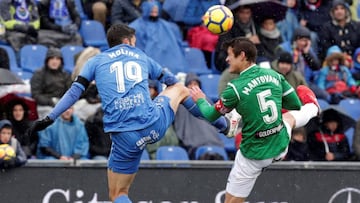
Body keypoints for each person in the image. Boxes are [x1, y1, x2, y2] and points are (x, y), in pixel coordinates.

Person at [28, 24, 231, 202]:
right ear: (127, 41)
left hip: (124, 136)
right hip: (152, 124)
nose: (134, 43)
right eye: (133, 40)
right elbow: (171, 81)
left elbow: (73, 94)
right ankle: (224, 126)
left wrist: (48, 118)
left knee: (117, 194)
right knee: (180, 89)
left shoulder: (95, 62)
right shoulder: (141, 55)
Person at [190, 37, 320, 203]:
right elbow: (294, 104)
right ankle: (313, 108)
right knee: (289, 118)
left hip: (254, 155)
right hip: (280, 143)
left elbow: (210, 115)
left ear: (242, 55)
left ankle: (234, 121)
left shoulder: (235, 88)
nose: (227, 59)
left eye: (230, 55)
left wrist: (200, 98)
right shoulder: (275, 75)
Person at [30, 47, 72, 119]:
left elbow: (70, 92)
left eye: (57, 59)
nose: (54, 61)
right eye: (52, 58)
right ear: (47, 60)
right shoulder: (39, 74)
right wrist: (51, 101)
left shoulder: (65, 74)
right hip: (45, 105)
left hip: (62, 103)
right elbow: (36, 95)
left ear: (61, 61)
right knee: (52, 115)